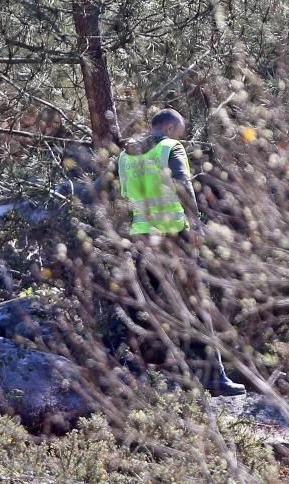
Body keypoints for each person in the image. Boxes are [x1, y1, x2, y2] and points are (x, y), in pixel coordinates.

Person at [117, 108, 246, 396]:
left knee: (143, 307)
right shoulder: (170, 147)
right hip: (175, 236)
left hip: (142, 237)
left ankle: (126, 373)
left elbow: (124, 196)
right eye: (181, 132)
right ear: (171, 128)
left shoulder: (126, 156)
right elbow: (182, 185)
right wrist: (197, 225)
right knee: (199, 305)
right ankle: (214, 377)